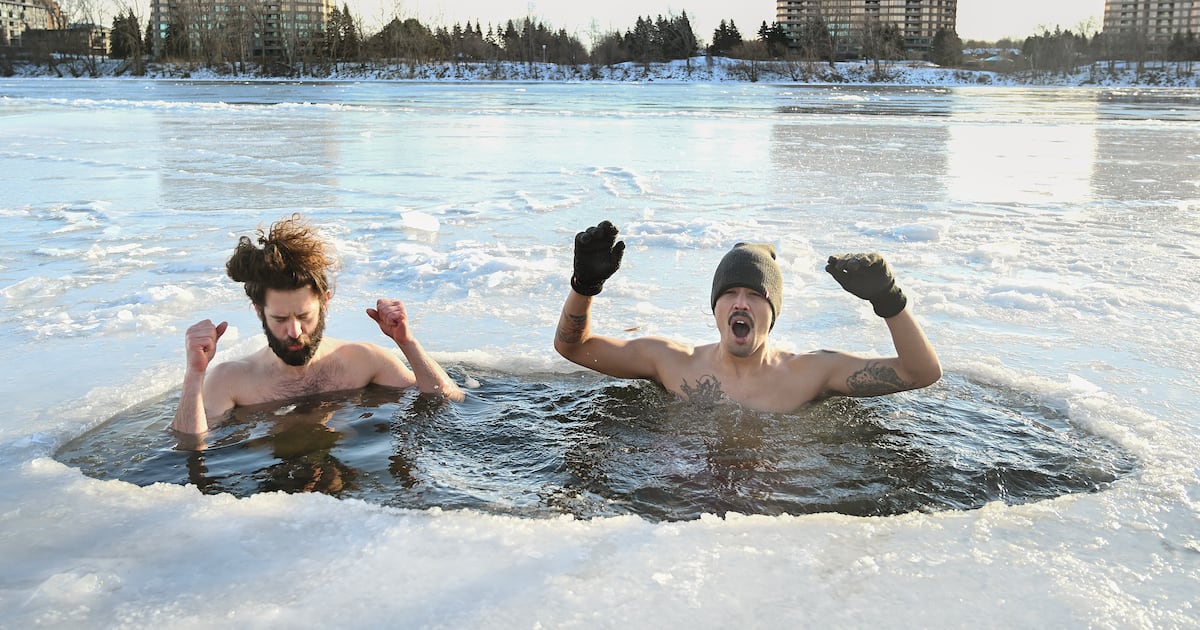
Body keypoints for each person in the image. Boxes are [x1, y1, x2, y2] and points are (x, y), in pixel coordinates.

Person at [553, 220, 941, 412]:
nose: (741, 303)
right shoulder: (670, 362)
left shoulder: (811, 373)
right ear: (716, 308)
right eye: (730, 293)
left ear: (772, 314)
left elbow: (919, 373)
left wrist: (890, 302)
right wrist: (584, 286)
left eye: (755, 295)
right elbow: (574, 348)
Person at [172, 214, 462, 435]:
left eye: (304, 316)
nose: (294, 331)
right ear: (259, 312)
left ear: (325, 302)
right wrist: (194, 374)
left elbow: (445, 400)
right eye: (281, 319)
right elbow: (190, 445)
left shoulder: (364, 360)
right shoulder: (231, 380)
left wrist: (406, 342)